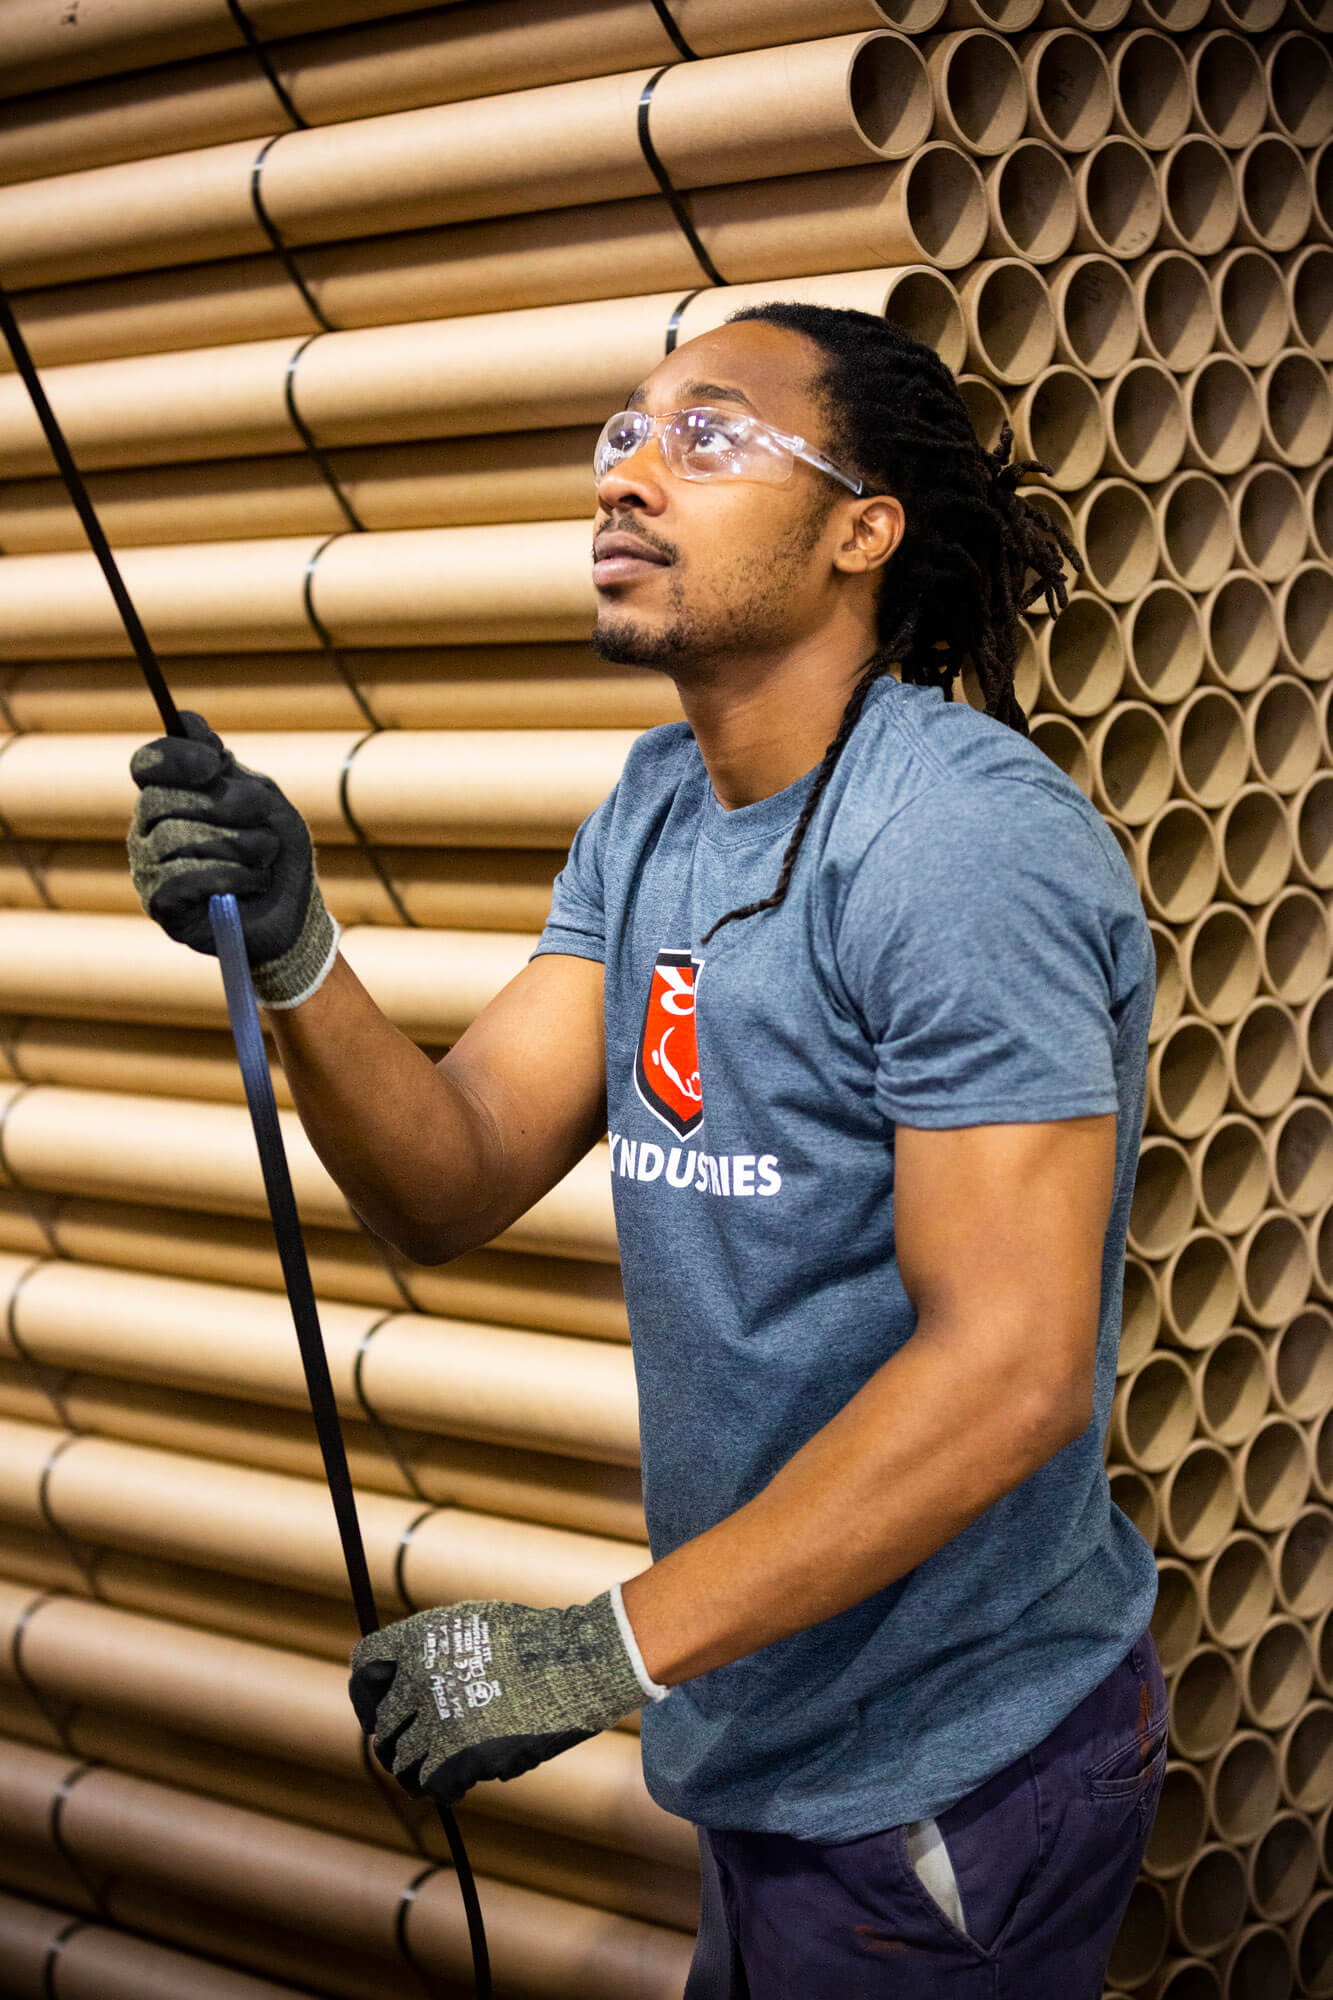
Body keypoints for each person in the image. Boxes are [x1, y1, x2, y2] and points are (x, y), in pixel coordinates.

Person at [128, 304, 1166, 1997]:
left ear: (859, 530)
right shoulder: (656, 806)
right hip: (764, 1711)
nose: (628, 473)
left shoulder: (955, 846)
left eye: (706, 434)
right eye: (621, 433)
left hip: (941, 1764)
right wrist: (301, 946)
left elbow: (1012, 1370)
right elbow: (451, 1177)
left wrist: (596, 1652)